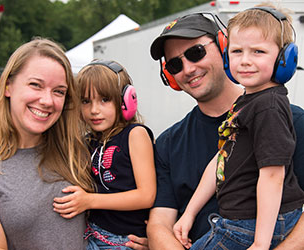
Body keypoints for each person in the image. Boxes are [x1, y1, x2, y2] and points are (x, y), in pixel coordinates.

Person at [147, 8, 304, 250]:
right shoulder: (168, 143)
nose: (188, 69)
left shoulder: (289, 117)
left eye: (196, 53)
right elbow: (159, 225)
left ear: (222, 48)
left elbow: (273, 177)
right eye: (176, 64)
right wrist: (187, 216)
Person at [0, 37, 95, 249]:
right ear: (8, 86)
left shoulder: (81, 151)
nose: (47, 101)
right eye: (35, 85)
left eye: (58, 91)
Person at [53, 60, 156, 250]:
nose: (94, 110)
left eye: (104, 100)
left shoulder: (135, 134)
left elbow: (146, 195)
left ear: (126, 100)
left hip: (123, 241)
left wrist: (89, 200)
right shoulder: (88, 141)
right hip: (91, 233)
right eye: (85, 101)